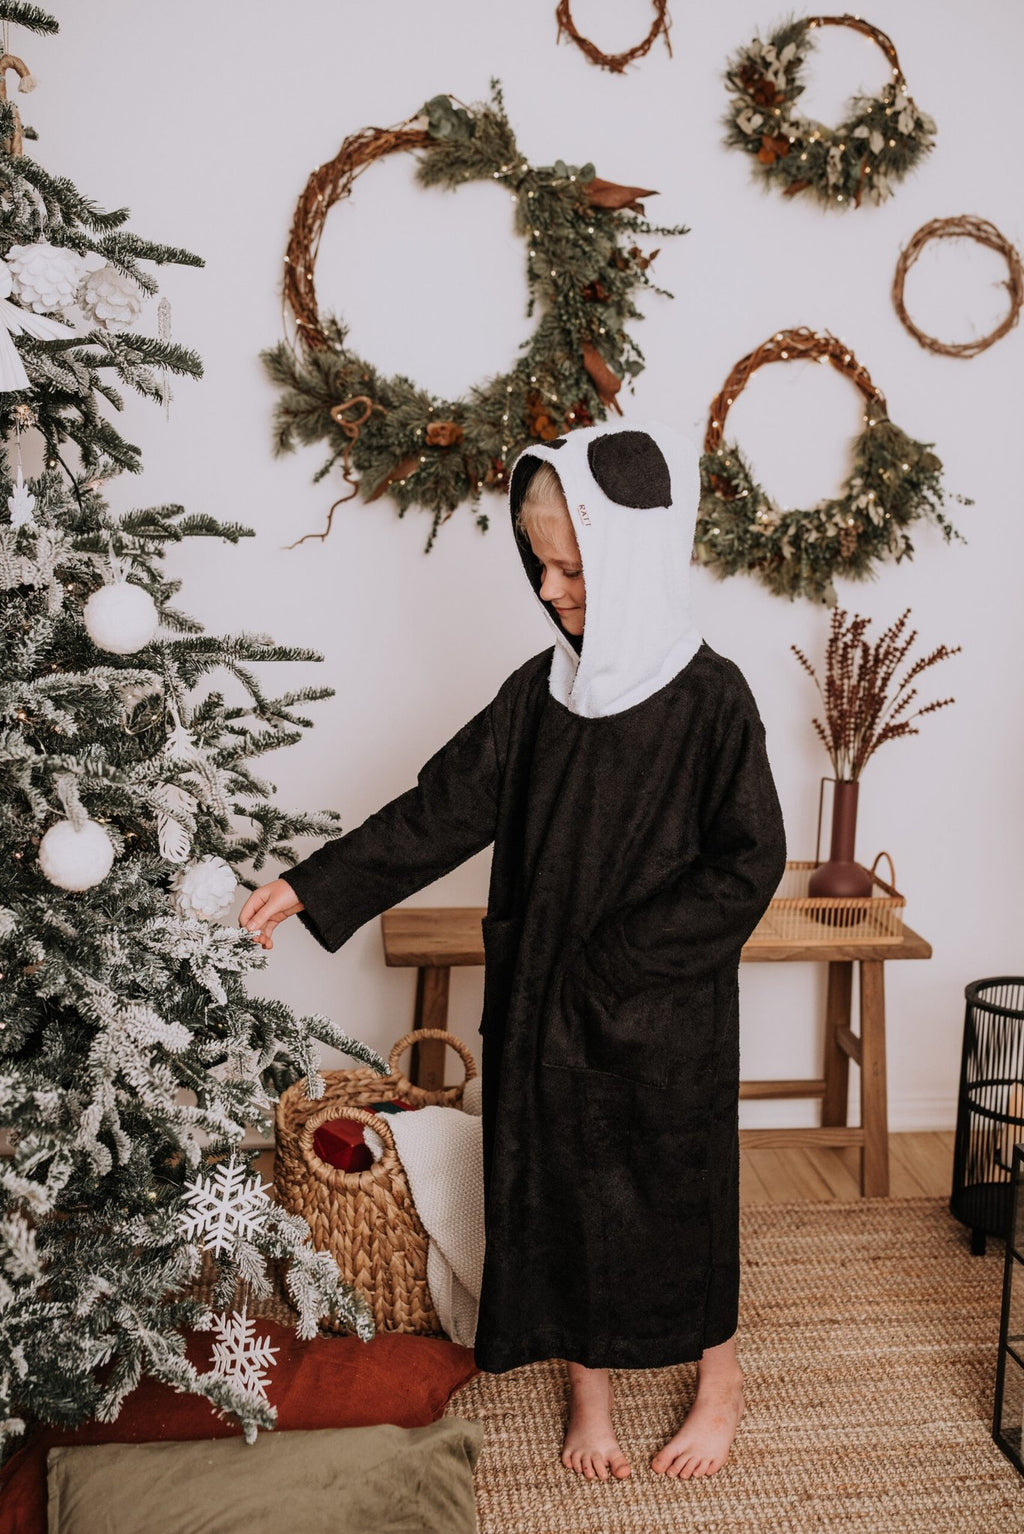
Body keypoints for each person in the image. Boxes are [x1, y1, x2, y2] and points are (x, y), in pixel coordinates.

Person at [240, 421, 787, 1483]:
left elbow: (747, 859)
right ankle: (590, 1387)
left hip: (661, 1010)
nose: (551, 589)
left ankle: (715, 1370)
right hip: (541, 1006)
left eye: (574, 567)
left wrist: (624, 962)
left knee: (673, 1189)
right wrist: (318, 880)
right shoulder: (540, 694)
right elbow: (441, 808)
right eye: (537, 565)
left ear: (632, 559)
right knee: (560, 1186)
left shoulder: (709, 696)